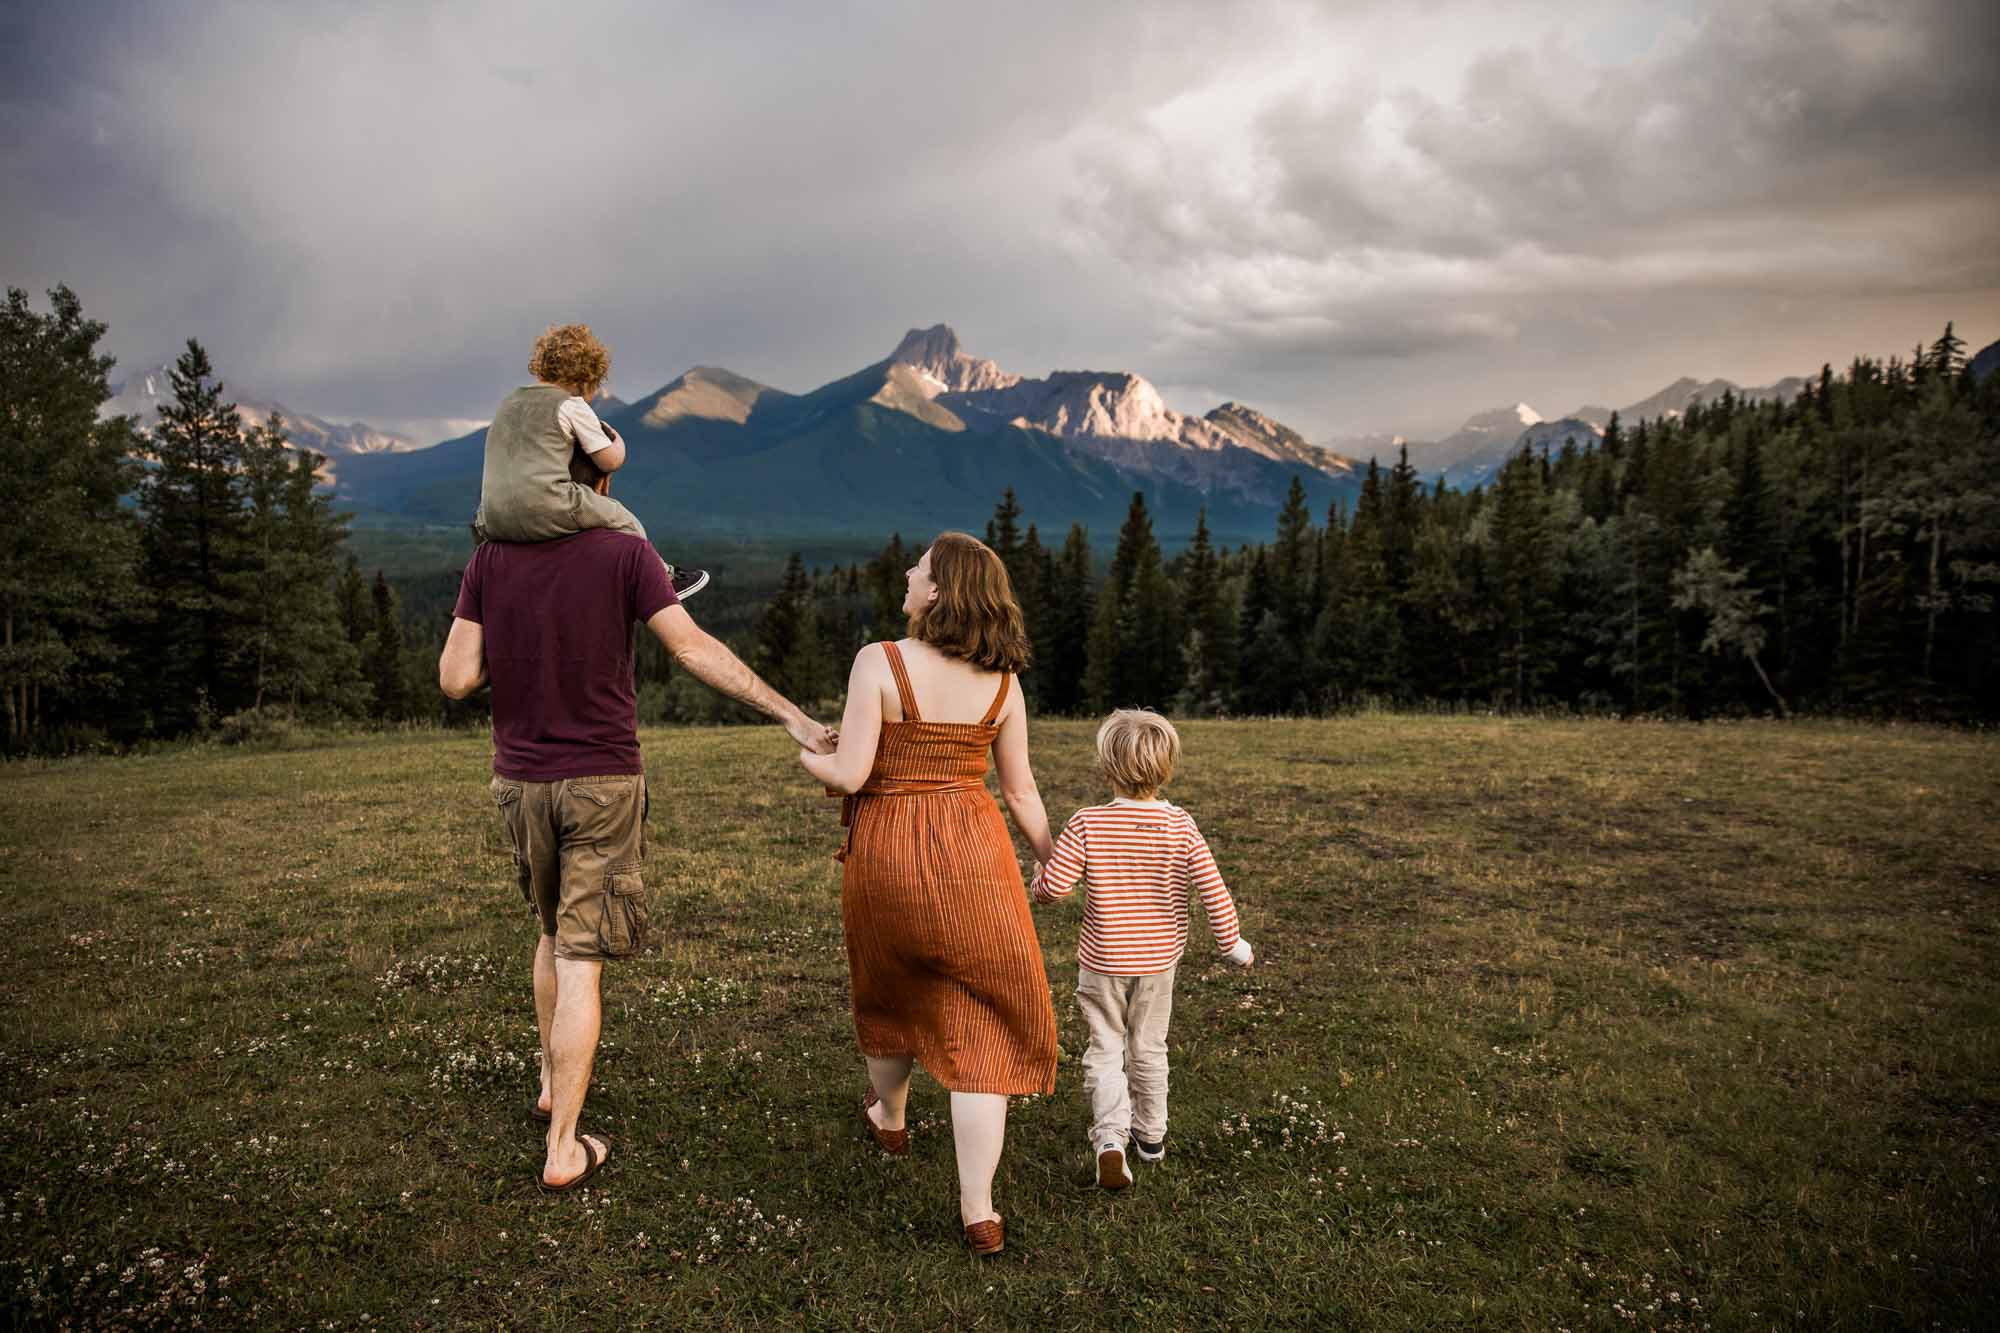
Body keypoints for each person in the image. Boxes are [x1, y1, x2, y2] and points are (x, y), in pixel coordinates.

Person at [439, 526, 834, 1193]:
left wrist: (522, 646)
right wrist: (791, 716)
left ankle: (548, 1080)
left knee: (549, 930)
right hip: (600, 780)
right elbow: (691, 647)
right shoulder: (626, 550)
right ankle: (563, 1145)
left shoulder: (491, 556)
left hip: (520, 780)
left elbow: (454, 678)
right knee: (580, 958)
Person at [798, 532, 1058, 1257]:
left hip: (887, 852)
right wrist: (1052, 861)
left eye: (920, 568)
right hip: (974, 853)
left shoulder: (878, 661)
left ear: (940, 590)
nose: (909, 573)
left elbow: (848, 775)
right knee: (982, 1027)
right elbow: (1021, 790)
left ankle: (890, 1115)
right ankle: (980, 1209)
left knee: (891, 989)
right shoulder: (1005, 684)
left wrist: (806, 753)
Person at [1031, 708, 1254, 1191]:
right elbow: (1214, 890)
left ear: (1106, 767)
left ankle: (1110, 1139)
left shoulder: (1087, 823)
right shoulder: (1181, 825)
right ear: (1166, 768)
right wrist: (1232, 944)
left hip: (1103, 961)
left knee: (1105, 1048)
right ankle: (1150, 1137)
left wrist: (1037, 882)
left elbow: (1055, 888)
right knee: (1149, 1047)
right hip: (1158, 962)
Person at [471, 321, 708, 601]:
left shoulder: (508, 403)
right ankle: (663, 580)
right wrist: (617, 441)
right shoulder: (570, 404)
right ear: (587, 375)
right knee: (623, 519)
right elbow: (609, 462)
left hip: (490, 518)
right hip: (548, 504)